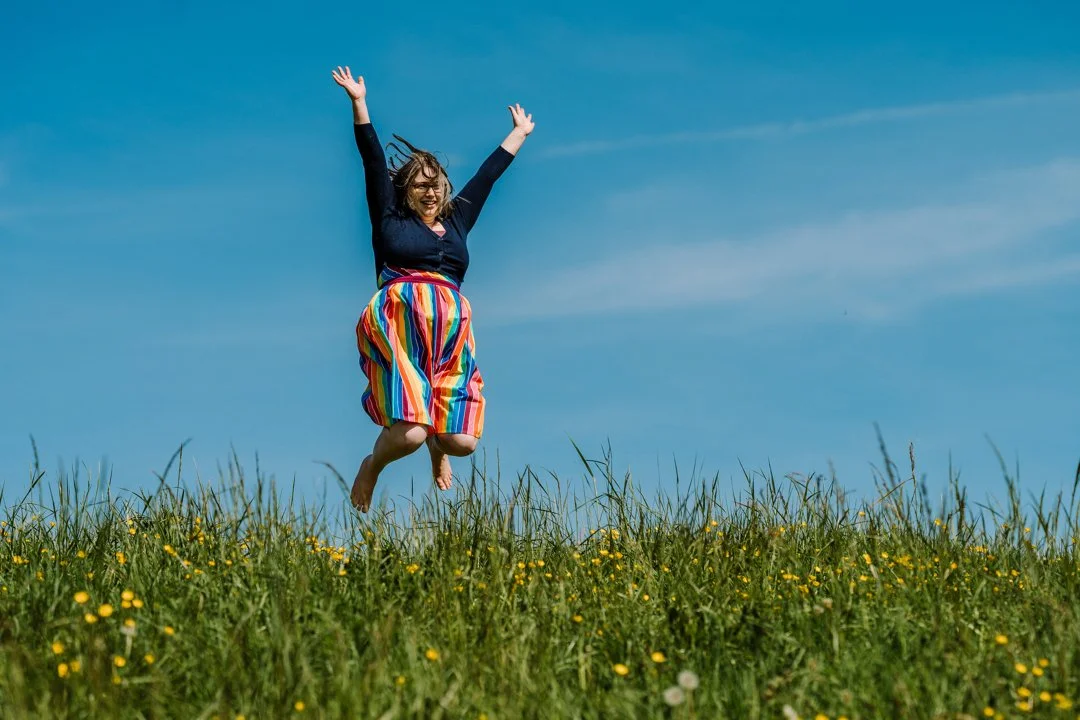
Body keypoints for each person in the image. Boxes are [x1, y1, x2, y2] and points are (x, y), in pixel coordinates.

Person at [331, 65, 534, 513]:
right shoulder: (390, 218)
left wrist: (518, 135)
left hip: (450, 330)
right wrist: (359, 104)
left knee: (460, 440)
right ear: (405, 189)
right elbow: (369, 160)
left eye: (435, 184)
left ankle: (439, 454)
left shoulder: (457, 219)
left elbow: (487, 179)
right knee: (410, 432)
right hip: (400, 323)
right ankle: (373, 465)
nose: (429, 191)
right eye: (420, 184)